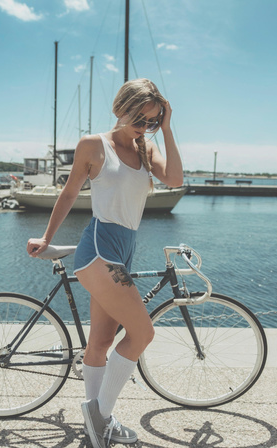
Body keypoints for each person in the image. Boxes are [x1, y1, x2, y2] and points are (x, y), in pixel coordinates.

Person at [26, 78, 183, 448]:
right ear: (121, 110)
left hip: (124, 248)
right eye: (139, 119)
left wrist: (169, 128)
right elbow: (68, 193)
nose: (144, 127)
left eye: (152, 121)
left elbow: (175, 178)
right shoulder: (94, 145)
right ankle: (102, 419)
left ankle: (94, 425)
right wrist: (46, 238)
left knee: (99, 343)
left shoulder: (147, 149)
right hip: (98, 250)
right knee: (143, 334)